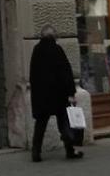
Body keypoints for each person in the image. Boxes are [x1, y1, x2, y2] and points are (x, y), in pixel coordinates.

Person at [29, 25, 83, 162]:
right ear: (54, 36)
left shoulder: (37, 50)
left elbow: (33, 75)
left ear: (42, 36)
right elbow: (66, 73)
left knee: (40, 125)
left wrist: (35, 94)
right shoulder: (57, 50)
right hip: (59, 95)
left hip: (42, 96)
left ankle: (36, 152)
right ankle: (70, 150)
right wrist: (71, 93)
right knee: (64, 123)